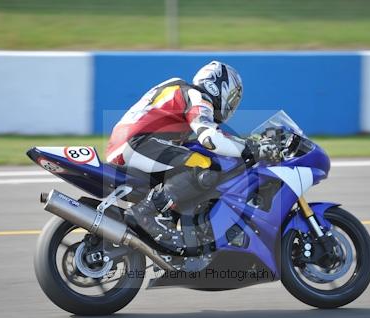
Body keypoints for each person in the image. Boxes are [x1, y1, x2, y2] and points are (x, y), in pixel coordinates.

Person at [105, 61, 278, 254]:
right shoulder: (197, 96)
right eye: (232, 96)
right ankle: (145, 213)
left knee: (194, 162)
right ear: (218, 86)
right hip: (138, 144)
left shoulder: (180, 90)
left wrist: (244, 142)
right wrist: (251, 149)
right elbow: (209, 137)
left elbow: (212, 135)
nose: (232, 104)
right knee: (206, 166)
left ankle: (175, 223)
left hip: (132, 143)